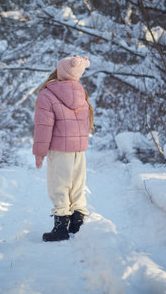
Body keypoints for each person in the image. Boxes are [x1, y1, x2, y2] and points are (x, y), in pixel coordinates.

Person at [33, 55, 94, 242]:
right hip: (79, 150)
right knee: (77, 185)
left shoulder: (47, 94)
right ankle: (77, 223)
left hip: (59, 150)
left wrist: (39, 153)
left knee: (59, 186)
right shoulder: (81, 93)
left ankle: (60, 228)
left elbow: (44, 127)